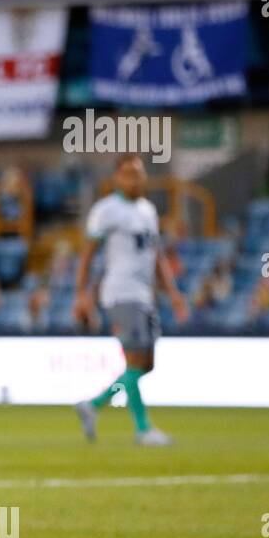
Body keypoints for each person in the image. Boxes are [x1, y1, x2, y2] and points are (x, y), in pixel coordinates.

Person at [73, 154, 188, 445]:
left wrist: (173, 294)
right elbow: (88, 254)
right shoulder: (106, 210)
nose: (134, 179)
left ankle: (94, 404)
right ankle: (142, 429)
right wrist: (81, 295)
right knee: (134, 359)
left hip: (144, 294)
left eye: (138, 173)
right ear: (116, 178)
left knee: (146, 364)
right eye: (127, 174)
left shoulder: (148, 211)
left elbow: (157, 255)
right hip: (120, 292)